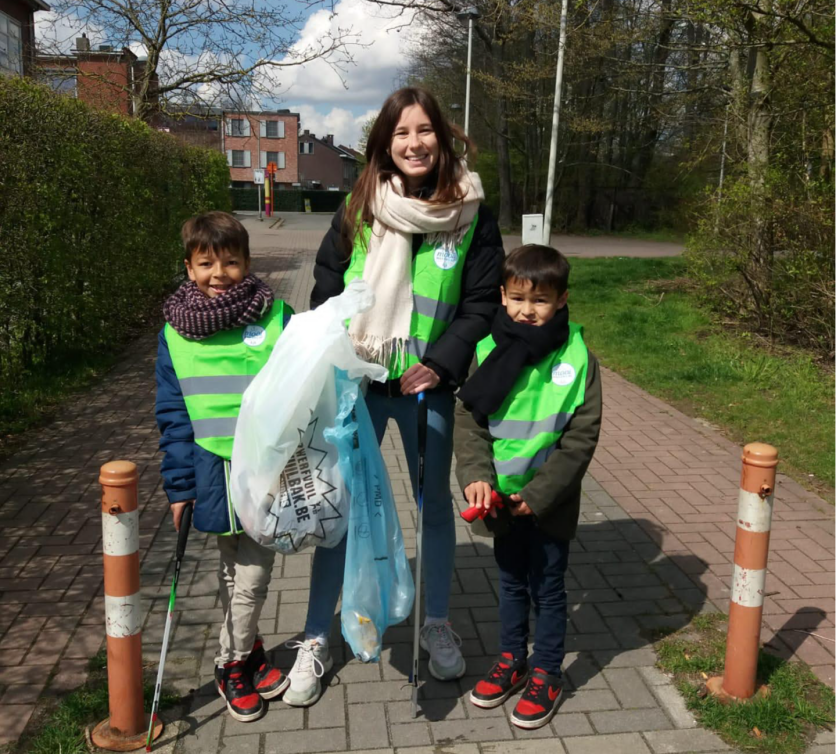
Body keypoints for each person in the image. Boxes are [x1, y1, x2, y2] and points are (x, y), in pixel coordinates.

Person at [283, 86, 504, 707]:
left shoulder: (471, 209)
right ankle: (315, 636)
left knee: (434, 509)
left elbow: (482, 300)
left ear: (442, 137)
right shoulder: (361, 201)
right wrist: (338, 344)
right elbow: (328, 281)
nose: (414, 143)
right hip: (358, 383)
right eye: (401, 133)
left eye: (425, 130)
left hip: (426, 387)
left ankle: (436, 624)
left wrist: (440, 363)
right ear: (385, 142)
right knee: (341, 511)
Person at [454, 244, 602, 730]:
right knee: (512, 583)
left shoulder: (579, 357)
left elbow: (580, 439)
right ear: (502, 294)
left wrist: (537, 496)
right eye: (517, 298)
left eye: (540, 301)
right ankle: (512, 659)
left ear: (561, 300)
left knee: (549, 588)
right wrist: (476, 477)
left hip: (546, 504)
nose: (527, 310)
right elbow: (471, 423)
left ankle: (546, 673)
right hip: (498, 499)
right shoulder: (485, 349)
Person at [155, 211, 293, 723]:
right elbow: (172, 417)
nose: (219, 273)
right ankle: (241, 657)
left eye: (231, 262)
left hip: (266, 470)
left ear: (248, 263)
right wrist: (179, 488)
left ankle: (233, 658)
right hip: (210, 470)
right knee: (234, 569)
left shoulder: (276, 316)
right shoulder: (174, 333)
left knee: (253, 572)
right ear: (189, 267)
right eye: (206, 263)